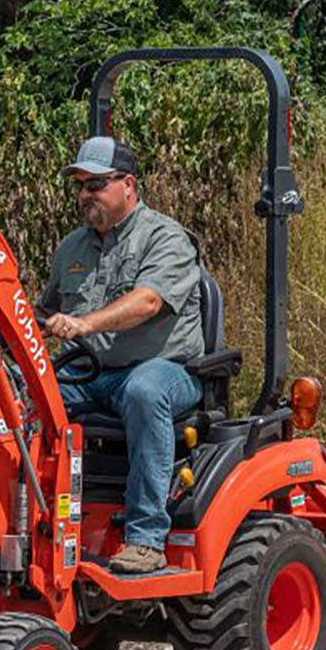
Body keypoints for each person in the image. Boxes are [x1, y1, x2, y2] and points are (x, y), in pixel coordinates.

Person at [38, 135, 204, 574]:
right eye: (79, 186)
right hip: (89, 373)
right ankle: (28, 525)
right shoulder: (71, 248)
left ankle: (146, 539)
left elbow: (149, 301)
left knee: (146, 393)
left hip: (164, 370)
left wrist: (85, 324)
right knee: (22, 394)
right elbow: (43, 311)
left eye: (95, 184)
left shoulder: (165, 238)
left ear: (128, 185)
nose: (84, 195)